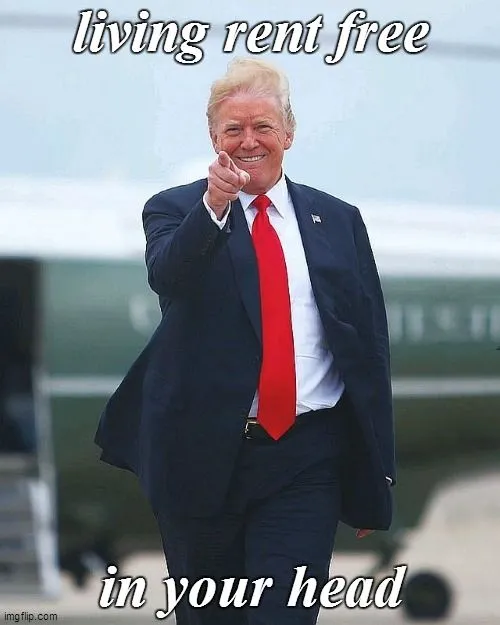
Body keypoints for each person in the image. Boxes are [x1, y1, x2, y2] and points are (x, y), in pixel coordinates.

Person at [95, 57, 396, 625]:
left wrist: (375, 470)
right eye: (234, 129)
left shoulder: (339, 221)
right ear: (214, 138)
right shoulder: (176, 208)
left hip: (306, 458)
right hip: (202, 458)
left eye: (263, 127)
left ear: (289, 133)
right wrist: (214, 207)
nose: (249, 141)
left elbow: (368, 347)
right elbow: (169, 276)